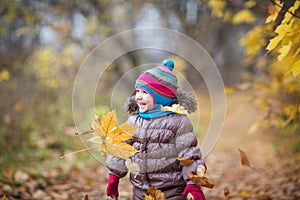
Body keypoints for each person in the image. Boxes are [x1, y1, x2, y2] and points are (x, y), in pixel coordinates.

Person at [105, 60, 207, 200]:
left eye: (145, 92)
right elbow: (120, 148)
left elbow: (189, 154)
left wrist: (193, 181)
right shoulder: (133, 121)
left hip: (172, 190)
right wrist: (114, 175)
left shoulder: (178, 122)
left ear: (162, 96)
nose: (138, 96)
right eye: (138, 91)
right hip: (141, 190)